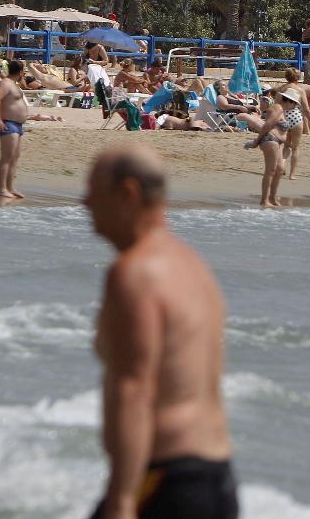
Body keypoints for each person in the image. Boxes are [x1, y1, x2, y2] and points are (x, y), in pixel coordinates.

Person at [83, 145, 236, 519]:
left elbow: (134, 387)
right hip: (215, 478)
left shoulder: (135, 273)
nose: (84, 202)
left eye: (93, 190)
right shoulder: (191, 265)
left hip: (167, 482)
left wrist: (121, 500)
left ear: (128, 193)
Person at [245, 89, 304, 207]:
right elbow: (267, 125)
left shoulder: (281, 110)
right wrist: (257, 141)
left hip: (277, 142)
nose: (295, 106)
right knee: (270, 170)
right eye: (295, 104)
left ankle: (272, 198)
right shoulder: (278, 108)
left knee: (279, 169)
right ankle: (264, 200)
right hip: (270, 139)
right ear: (290, 101)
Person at [0, 59, 29, 199]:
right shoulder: (6, 83)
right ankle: (2, 189)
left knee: (14, 158)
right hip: (8, 123)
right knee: (6, 157)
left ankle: (10, 188)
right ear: (20, 72)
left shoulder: (13, 84)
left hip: (17, 125)